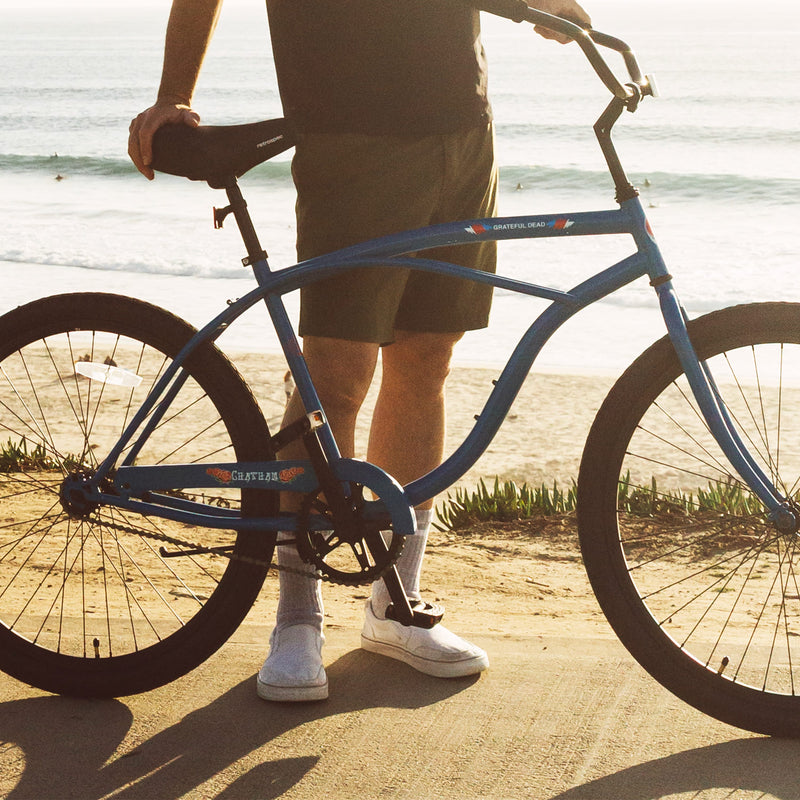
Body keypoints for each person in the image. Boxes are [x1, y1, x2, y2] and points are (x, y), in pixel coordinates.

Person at [129, 0, 591, 702]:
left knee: (426, 359)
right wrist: (175, 93)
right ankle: (297, 622)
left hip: (462, 127)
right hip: (351, 133)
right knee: (336, 375)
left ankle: (395, 605)